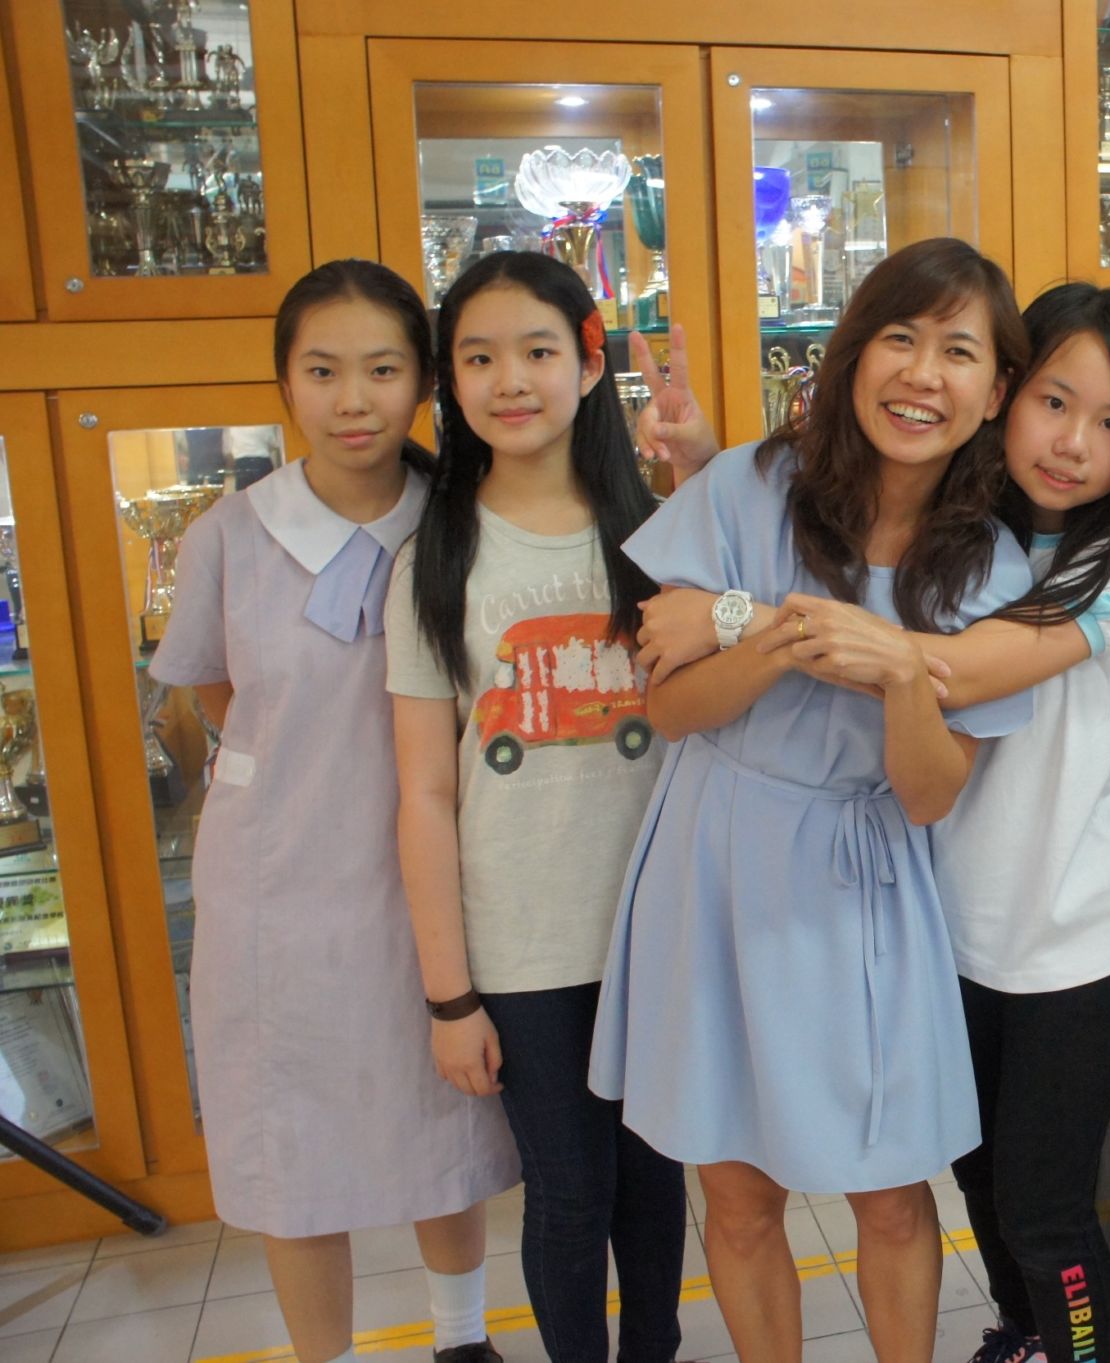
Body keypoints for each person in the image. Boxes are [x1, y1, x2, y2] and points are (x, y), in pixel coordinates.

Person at [587, 237, 1035, 1363]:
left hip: (862, 876)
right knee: (738, 1196)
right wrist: (785, 633)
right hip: (715, 857)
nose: (922, 374)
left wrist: (899, 675)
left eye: (959, 352)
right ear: (850, 355)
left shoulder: (990, 567)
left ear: (995, 393)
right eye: (899, 338)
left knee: (889, 1189)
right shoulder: (750, 484)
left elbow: (928, 794)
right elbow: (672, 708)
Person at [149, 260, 519, 1363]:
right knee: (291, 1146)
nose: (353, 400)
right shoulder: (230, 535)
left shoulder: (464, 522)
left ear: (425, 384)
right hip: (280, 890)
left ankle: (462, 1339)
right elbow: (212, 689)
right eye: (322, 372)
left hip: (435, 882)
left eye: (382, 370)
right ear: (283, 383)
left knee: (440, 1119)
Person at [385, 250, 686, 1363]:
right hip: (521, 949)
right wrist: (448, 995)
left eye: (537, 351)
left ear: (590, 364)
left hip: (657, 927)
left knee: (655, 1180)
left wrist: (698, 467)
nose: (510, 379)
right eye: (478, 358)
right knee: (569, 1192)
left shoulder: (660, 535)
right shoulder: (436, 556)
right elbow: (425, 792)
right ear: (449, 382)